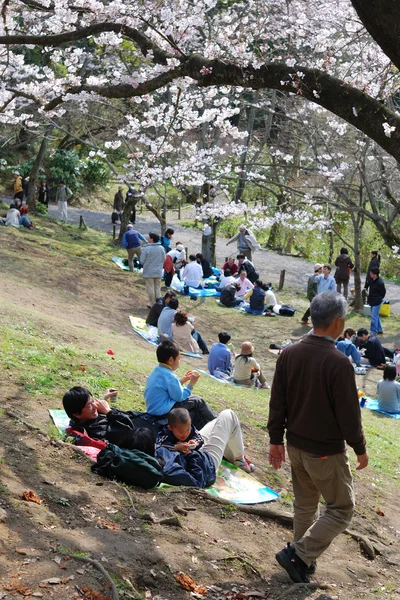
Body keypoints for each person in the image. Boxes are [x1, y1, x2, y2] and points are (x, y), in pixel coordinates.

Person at [268, 292, 368, 584]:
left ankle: (301, 561)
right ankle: (299, 555)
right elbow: (350, 416)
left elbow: (278, 401)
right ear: (338, 323)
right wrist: (360, 448)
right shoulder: (339, 363)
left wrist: (276, 439)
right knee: (341, 508)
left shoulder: (289, 353)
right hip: (324, 451)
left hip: (296, 445)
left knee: (306, 504)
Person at [155, 408, 255, 481]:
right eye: (181, 432)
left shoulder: (189, 430)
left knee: (218, 421)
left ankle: (236, 457)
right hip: (201, 463)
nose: (184, 434)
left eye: (188, 429)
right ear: (170, 428)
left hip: (196, 453)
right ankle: (239, 460)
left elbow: (198, 437)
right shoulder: (164, 437)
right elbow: (159, 447)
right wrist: (176, 447)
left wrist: (195, 443)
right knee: (229, 415)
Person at [143, 340, 216, 429]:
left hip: (153, 410)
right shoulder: (170, 376)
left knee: (195, 412)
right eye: (179, 358)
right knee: (197, 400)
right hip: (163, 412)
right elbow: (179, 397)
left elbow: (168, 389)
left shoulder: (156, 371)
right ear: (171, 360)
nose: (179, 361)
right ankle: (216, 422)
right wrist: (191, 384)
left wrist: (182, 380)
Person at [62, 386, 161, 447]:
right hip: (152, 432)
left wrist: (103, 399)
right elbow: (127, 429)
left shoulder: (87, 416)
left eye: (93, 401)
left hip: (146, 419)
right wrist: (108, 412)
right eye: (89, 405)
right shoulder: (96, 430)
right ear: (76, 414)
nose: (95, 406)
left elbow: (92, 409)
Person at [140, 233, 166, 306]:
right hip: (158, 271)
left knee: (150, 288)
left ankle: (153, 304)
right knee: (157, 288)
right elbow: (164, 258)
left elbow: (142, 260)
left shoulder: (147, 248)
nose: (148, 238)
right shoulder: (161, 248)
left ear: (152, 239)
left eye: (149, 237)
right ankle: (159, 304)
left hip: (149, 272)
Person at [366, 268, 386, 335]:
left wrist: (379, 298)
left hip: (377, 301)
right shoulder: (371, 280)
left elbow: (383, 292)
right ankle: (380, 329)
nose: (370, 274)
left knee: (373, 316)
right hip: (372, 300)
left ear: (375, 274)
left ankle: (373, 331)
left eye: (371, 273)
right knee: (376, 315)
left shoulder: (380, 282)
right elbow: (367, 285)